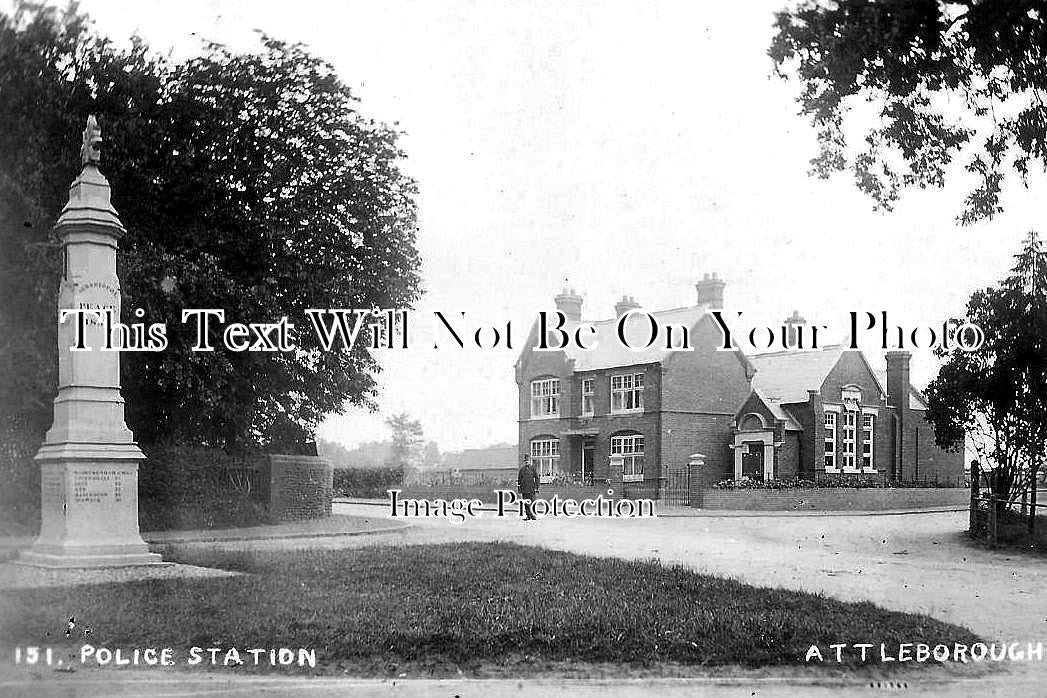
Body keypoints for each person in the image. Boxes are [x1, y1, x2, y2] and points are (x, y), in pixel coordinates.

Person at [517, 455, 539, 521]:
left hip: (532, 489)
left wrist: (536, 487)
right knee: (526, 503)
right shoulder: (522, 470)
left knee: (532, 502)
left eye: (528, 461)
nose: (527, 462)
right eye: (526, 461)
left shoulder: (533, 468)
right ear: (524, 462)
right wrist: (519, 490)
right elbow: (519, 480)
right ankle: (528, 516)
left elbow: (537, 478)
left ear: (530, 461)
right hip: (524, 489)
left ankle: (533, 515)